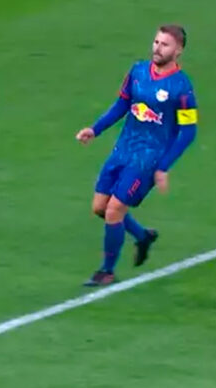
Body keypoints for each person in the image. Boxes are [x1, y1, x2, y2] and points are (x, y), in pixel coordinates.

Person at [76, 24, 197, 286]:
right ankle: (143, 236)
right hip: (123, 150)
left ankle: (107, 271)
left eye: (164, 44)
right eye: (156, 42)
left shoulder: (182, 88)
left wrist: (163, 166)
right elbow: (122, 104)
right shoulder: (138, 71)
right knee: (99, 207)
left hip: (148, 160)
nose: (157, 48)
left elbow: (189, 132)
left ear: (178, 50)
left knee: (114, 210)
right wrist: (94, 130)